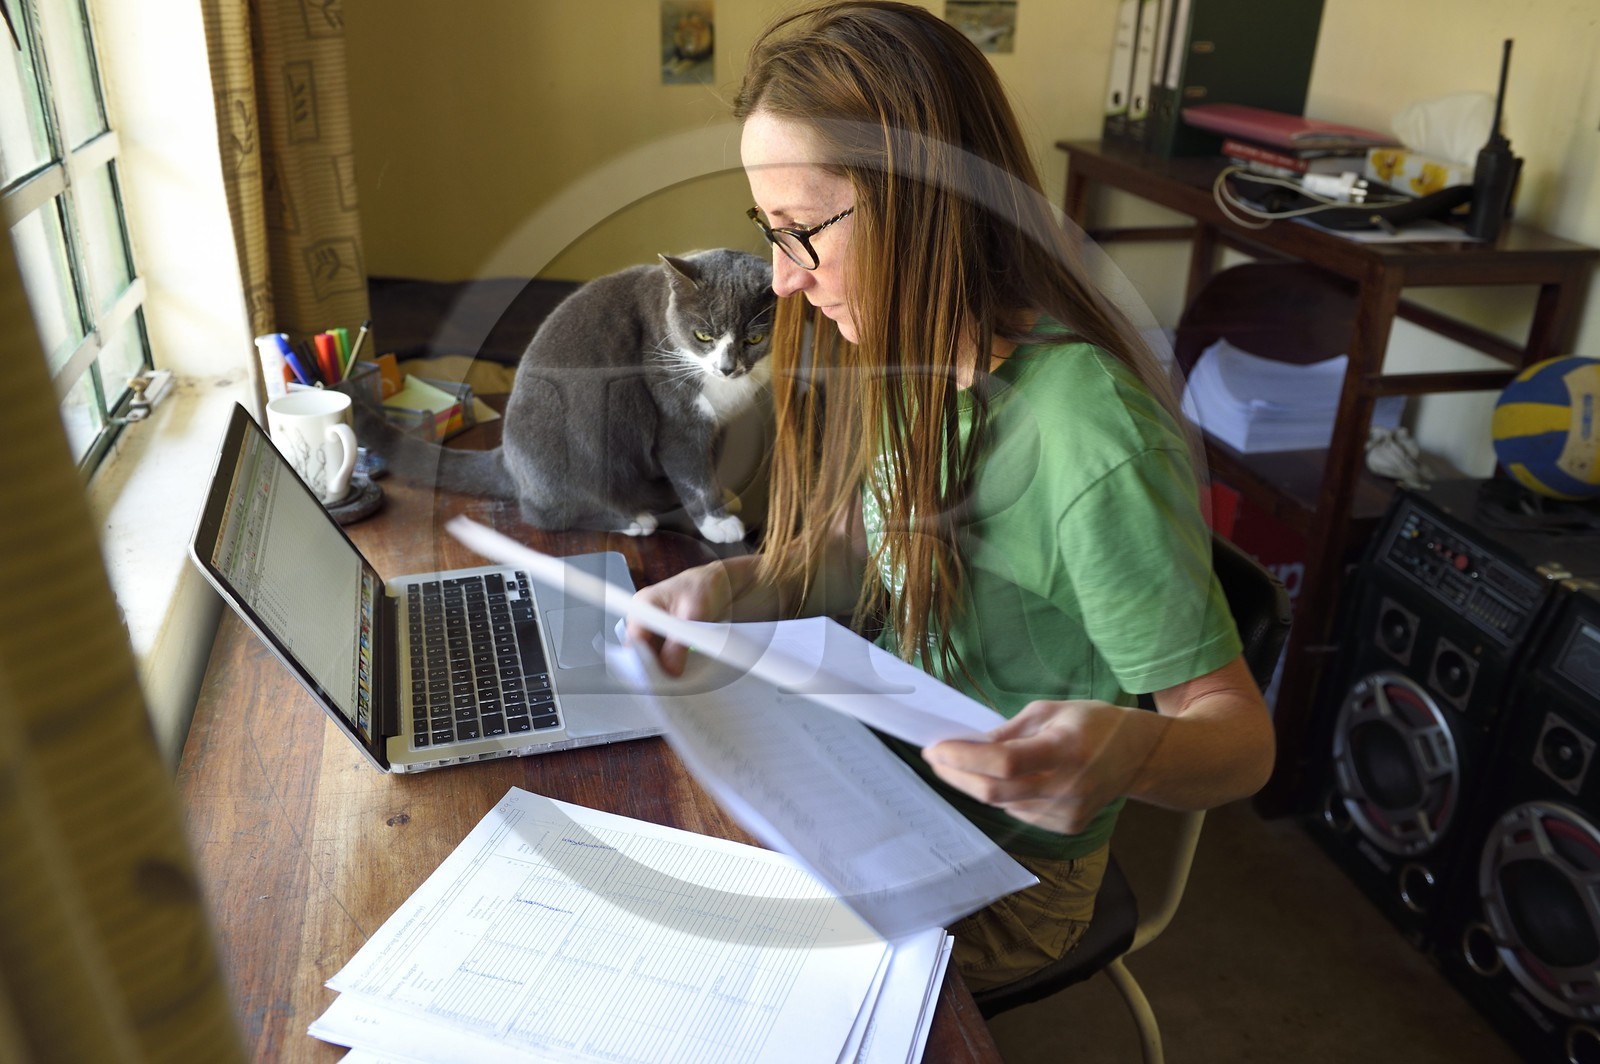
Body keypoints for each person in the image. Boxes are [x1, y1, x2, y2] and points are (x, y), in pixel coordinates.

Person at [628, 0, 1275, 992]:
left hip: (1009, 874)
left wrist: (1134, 751)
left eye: (802, 232)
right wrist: (734, 584)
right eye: (769, 230)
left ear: (924, 204)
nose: (783, 280)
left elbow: (1239, 740)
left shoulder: (1091, 441)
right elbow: (868, 545)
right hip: (873, 781)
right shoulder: (904, 350)